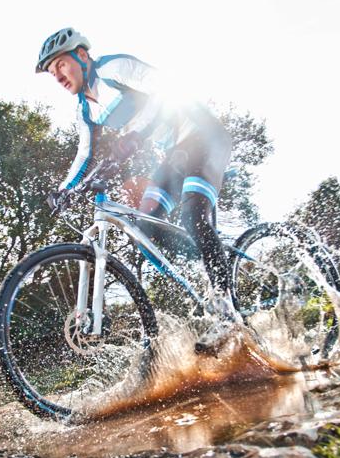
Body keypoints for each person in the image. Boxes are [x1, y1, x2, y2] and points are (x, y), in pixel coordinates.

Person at [35, 27, 239, 353]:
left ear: (82, 56)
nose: (57, 76)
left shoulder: (113, 68)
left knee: (193, 216)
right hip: (174, 154)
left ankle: (228, 310)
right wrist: (64, 190)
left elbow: (164, 89)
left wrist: (136, 134)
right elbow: (85, 154)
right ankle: (214, 267)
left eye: (60, 64)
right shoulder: (85, 110)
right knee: (145, 228)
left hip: (204, 136)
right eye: (51, 72)